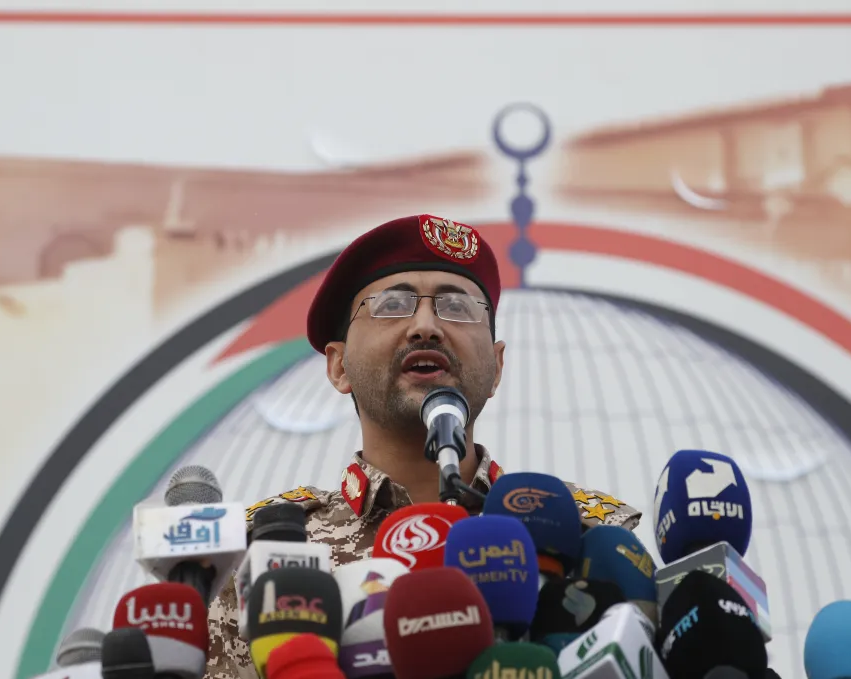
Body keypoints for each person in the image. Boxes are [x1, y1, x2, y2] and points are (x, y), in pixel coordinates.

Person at [204, 214, 641, 679]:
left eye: (457, 306)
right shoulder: (265, 555)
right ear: (338, 367)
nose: (426, 326)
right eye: (393, 304)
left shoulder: (586, 534)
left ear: (496, 368)